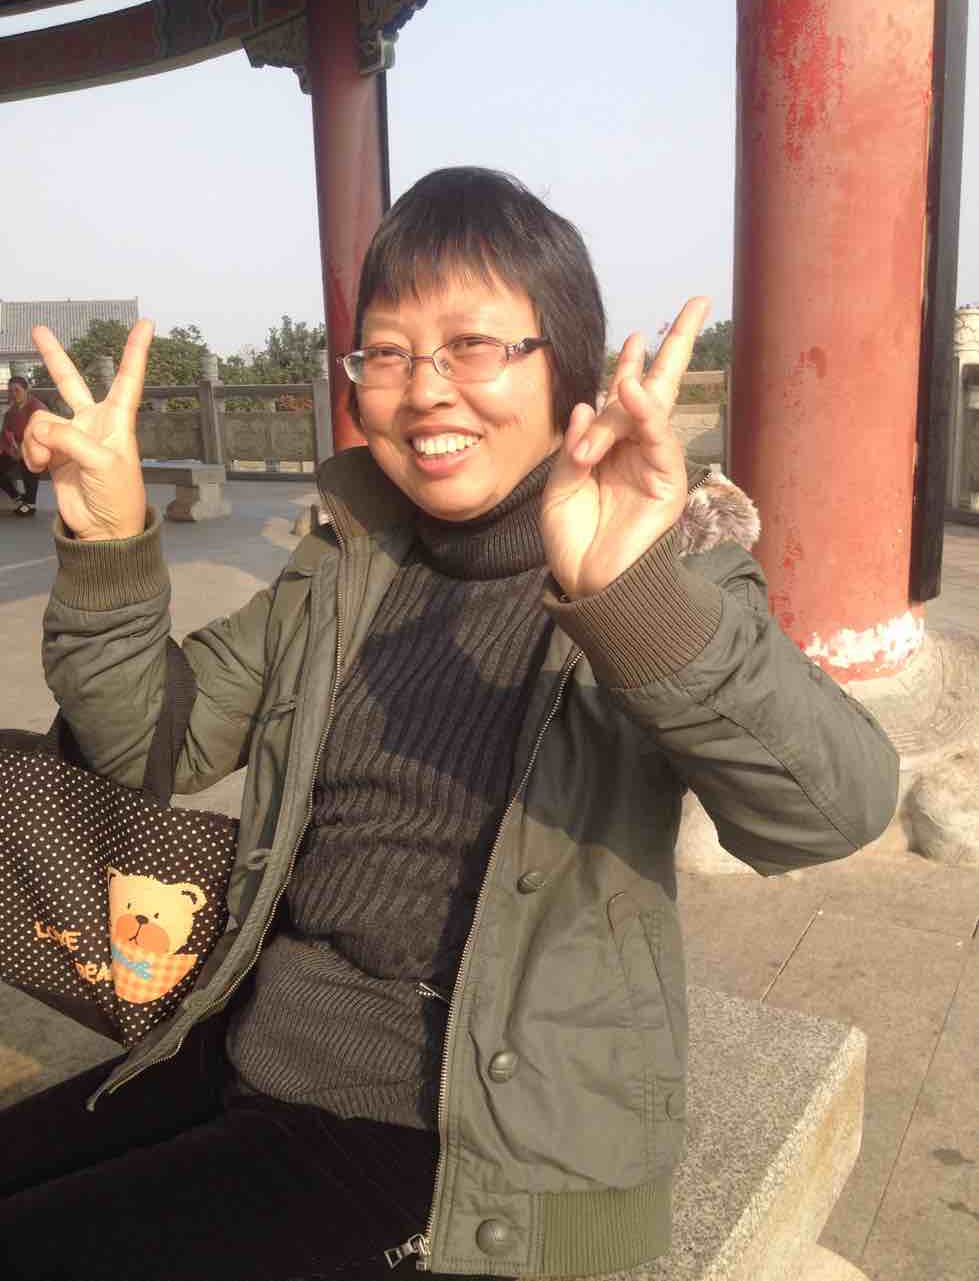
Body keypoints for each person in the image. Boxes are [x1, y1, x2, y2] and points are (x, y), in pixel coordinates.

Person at [2, 168, 899, 1281]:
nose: (426, 390)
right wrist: (109, 544)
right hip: (255, 1039)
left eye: (472, 346)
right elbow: (156, 744)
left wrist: (633, 596)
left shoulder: (657, 576)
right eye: (386, 353)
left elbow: (830, 812)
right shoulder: (349, 566)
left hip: (442, 1133)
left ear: (567, 367)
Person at [0, 375, 44, 515]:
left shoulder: (37, 408)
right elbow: (6, 430)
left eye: (17, 390)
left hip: (34, 448)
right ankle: (17, 497)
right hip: (14, 448)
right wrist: (8, 447)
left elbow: (40, 433)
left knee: (28, 461)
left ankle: (30, 504)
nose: (13, 394)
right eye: (10, 391)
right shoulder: (12, 409)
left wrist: (22, 450)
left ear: (26, 390)